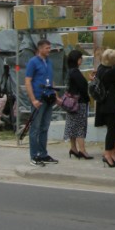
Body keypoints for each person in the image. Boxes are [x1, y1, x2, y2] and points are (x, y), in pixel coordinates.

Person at [25, 39, 60, 167]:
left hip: (48, 98)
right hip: (38, 98)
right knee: (35, 128)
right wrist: (33, 99)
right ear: (40, 49)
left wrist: (56, 96)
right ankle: (34, 155)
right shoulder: (33, 62)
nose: (49, 50)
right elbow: (28, 81)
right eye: (47, 48)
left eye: (49, 48)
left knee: (44, 127)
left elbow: (51, 80)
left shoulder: (49, 62)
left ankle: (43, 154)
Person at [94, 48, 115, 167]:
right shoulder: (113, 72)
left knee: (111, 130)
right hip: (112, 104)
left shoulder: (100, 69)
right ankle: (108, 154)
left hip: (103, 103)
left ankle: (112, 154)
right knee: (112, 131)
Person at [64, 49, 93, 160]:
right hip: (78, 103)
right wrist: (87, 99)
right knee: (80, 126)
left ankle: (73, 148)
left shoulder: (70, 71)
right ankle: (82, 150)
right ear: (78, 60)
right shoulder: (75, 72)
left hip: (71, 103)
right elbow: (83, 86)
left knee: (72, 125)